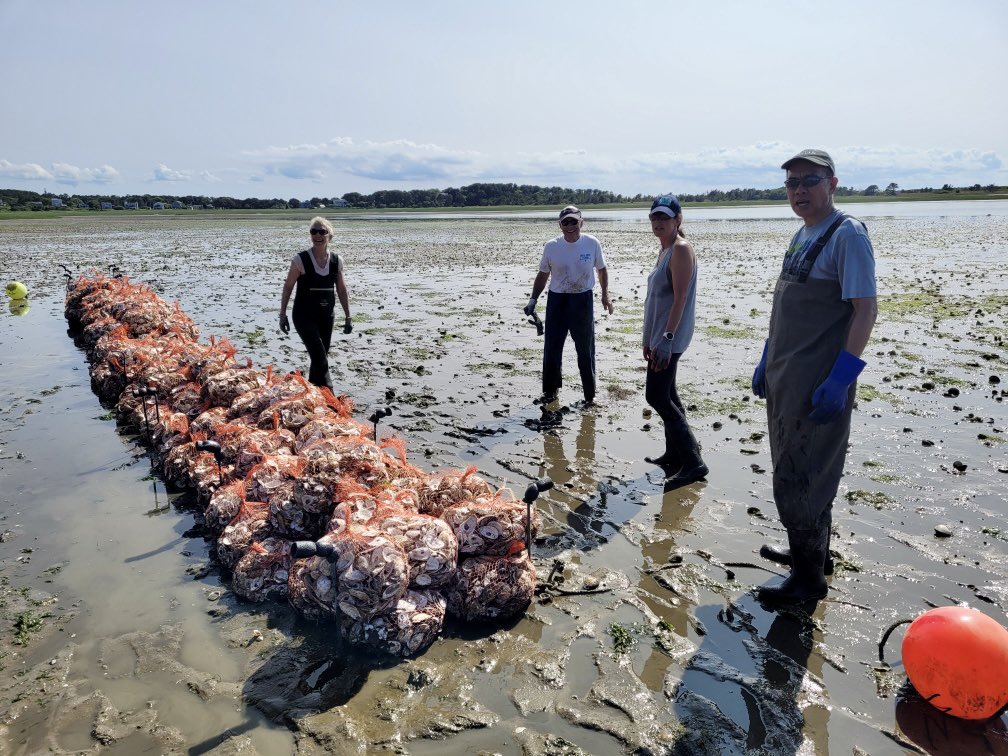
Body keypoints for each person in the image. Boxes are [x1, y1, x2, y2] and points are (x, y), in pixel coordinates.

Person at [752, 149, 877, 605]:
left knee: (801, 475)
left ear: (833, 184)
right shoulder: (803, 233)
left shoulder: (848, 235)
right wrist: (768, 357)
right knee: (796, 465)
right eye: (791, 183)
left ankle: (808, 583)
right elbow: (783, 307)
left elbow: (865, 310)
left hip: (817, 380)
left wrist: (841, 377)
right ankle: (813, 554)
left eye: (810, 180)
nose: (799, 190)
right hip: (786, 374)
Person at [641, 195, 708, 488]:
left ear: (678, 219)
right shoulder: (665, 249)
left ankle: (694, 462)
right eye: (655, 218)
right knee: (669, 393)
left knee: (656, 396)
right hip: (660, 334)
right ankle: (674, 453)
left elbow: (680, 298)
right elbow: (657, 300)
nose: (659, 223)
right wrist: (649, 337)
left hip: (671, 335)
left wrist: (666, 340)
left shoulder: (680, 249)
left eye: (665, 218)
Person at [524, 205, 613, 406]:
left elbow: (602, 270)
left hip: (582, 301)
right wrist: (533, 299)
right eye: (566, 222)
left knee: (585, 350)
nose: (570, 226)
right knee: (552, 348)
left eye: (574, 221)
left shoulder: (592, 243)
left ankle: (590, 396)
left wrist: (605, 296)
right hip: (557, 301)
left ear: (581, 222)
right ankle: (550, 393)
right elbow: (543, 274)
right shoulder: (551, 246)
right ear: (560, 225)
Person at [278, 217, 351, 390]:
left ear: (329, 236)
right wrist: (282, 315)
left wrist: (348, 316)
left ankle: (312, 393)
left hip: (326, 317)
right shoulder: (300, 260)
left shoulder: (336, 261)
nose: (317, 235)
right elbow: (288, 287)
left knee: (320, 357)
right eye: (313, 231)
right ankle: (330, 397)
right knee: (319, 356)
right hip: (304, 316)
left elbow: (341, 290)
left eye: (322, 231)